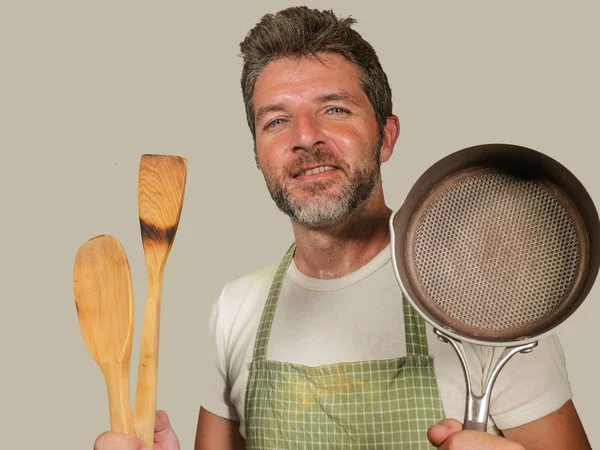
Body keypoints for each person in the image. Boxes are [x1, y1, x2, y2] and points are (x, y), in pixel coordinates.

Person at [93, 6, 591, 450]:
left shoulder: (485, 303)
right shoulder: (234, 310)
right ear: (258, 155)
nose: (306, 138)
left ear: (387, 137)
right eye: (275, 121)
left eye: (334, 109)